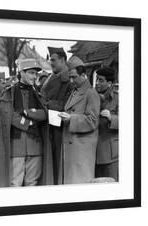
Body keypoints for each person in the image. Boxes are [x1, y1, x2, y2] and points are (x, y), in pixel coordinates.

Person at [0, 59, 53, 187]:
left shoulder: (38, 94)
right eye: (31, 73)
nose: (34, 76)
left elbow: (45, 113)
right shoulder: (9, 93)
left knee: (32, 183)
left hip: (35, 145)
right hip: (16, 146)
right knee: (15, 183)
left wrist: (28, 113)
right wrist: (31, 123)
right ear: (22, 72)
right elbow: (8, 115)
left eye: (35, 74)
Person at [58, 56, 100, 184]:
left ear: (83, 75)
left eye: (74, 77)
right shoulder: (75, 91)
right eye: (70, 77)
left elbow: (93, 120)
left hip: (81, 150)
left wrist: (71, 118)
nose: (71, 80)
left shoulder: (91, 93)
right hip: (72, 146)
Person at [40, 47, 73, 184]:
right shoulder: (52, 76)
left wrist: (45, 104)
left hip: (58, 126)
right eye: (49, 59)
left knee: (57, 161)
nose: (50, 62)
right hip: (48, 123)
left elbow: (67, 105)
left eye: (53, 60)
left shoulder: (68, 79)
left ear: (63, 60)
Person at [95, 67, 119, 181]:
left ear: (109, 83)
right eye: (96, 80)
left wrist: (111, 118)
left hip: (111, 153)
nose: (97, 83)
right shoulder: (92, 96)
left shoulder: (118, 98)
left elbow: (131, 123)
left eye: (100, 80)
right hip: (93, 151)